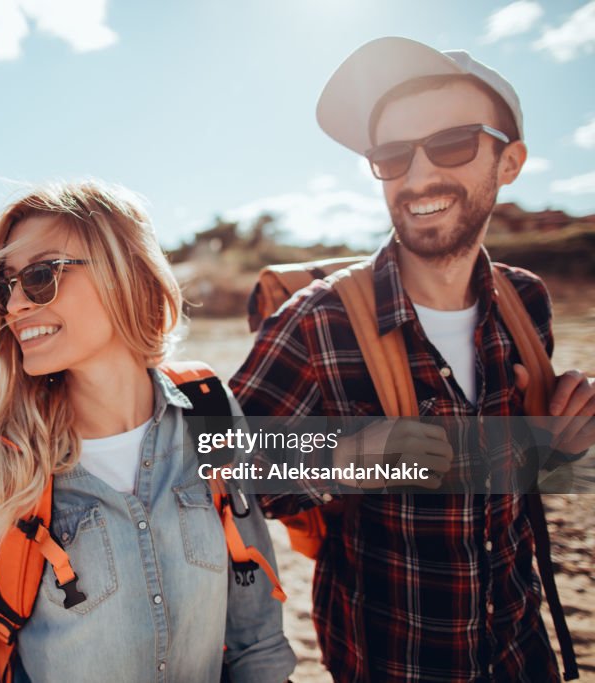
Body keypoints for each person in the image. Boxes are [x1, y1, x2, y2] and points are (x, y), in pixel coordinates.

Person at [230, 37, 595, 681]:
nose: (419, 176)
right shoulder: (318, 321)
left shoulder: (526, 301)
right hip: (389, 663)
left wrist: (558, 443)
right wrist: (344, 458)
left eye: (452, 144)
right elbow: (216, 468)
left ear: (509, 161)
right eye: (394, 156)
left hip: (519, 653)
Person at [0, 181, 296, 682]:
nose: (14, 304)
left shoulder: (209, 406)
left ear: (128, 274)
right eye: (4, 285)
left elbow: (256, 633)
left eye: (41, 276)